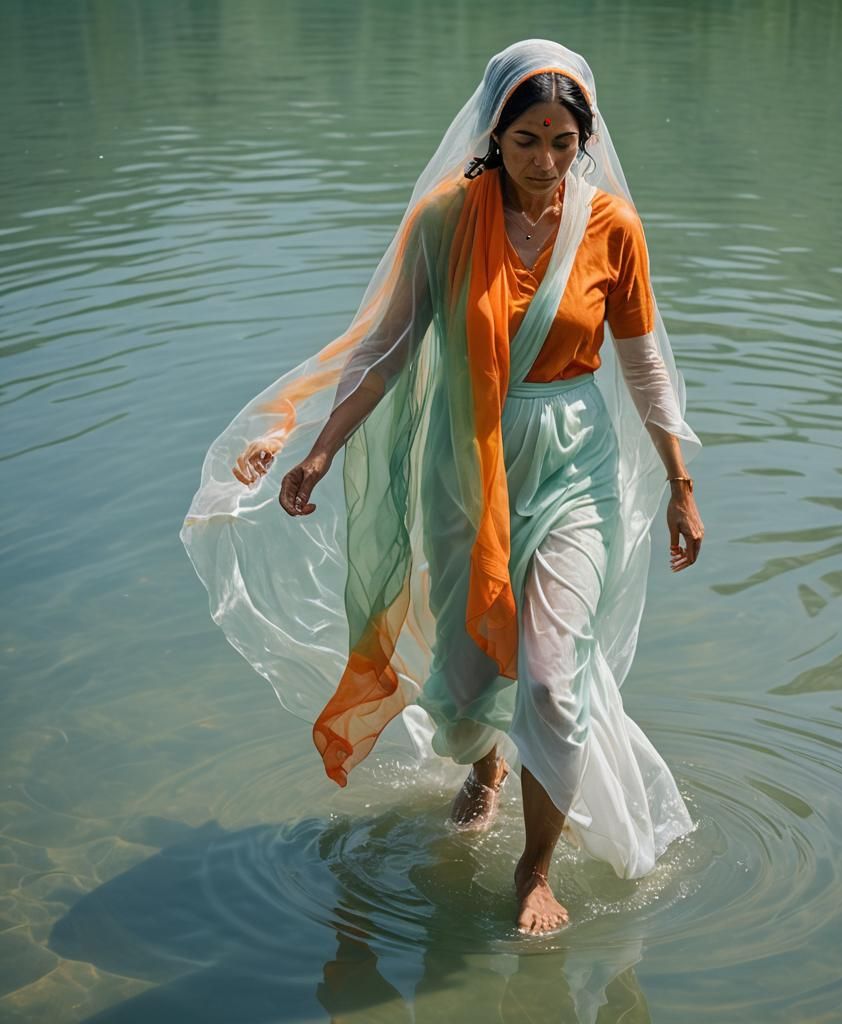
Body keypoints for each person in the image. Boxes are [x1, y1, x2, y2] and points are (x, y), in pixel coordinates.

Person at [180, 39, 704, 937]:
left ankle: (533, 871)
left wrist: (681, 483)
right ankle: (488, 765)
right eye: (527, 139)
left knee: (550, 677)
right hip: (470, 465)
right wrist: (319, 451)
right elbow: (383, 348)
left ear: (585, 139)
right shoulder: (444, 221)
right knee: (472, 672)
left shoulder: (612, 226)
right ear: (494, 136)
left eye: (563, 140)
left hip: (571, 460)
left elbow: (646, 366)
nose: (546, 161)